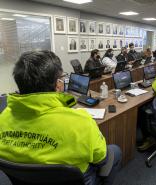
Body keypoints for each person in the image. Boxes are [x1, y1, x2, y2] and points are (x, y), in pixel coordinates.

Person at [0, 50, 122, 185]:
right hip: (82, 179)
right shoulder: (81, 122)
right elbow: (101, 158)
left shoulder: (3, 118)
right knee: (114, 151)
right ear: (58, 84)